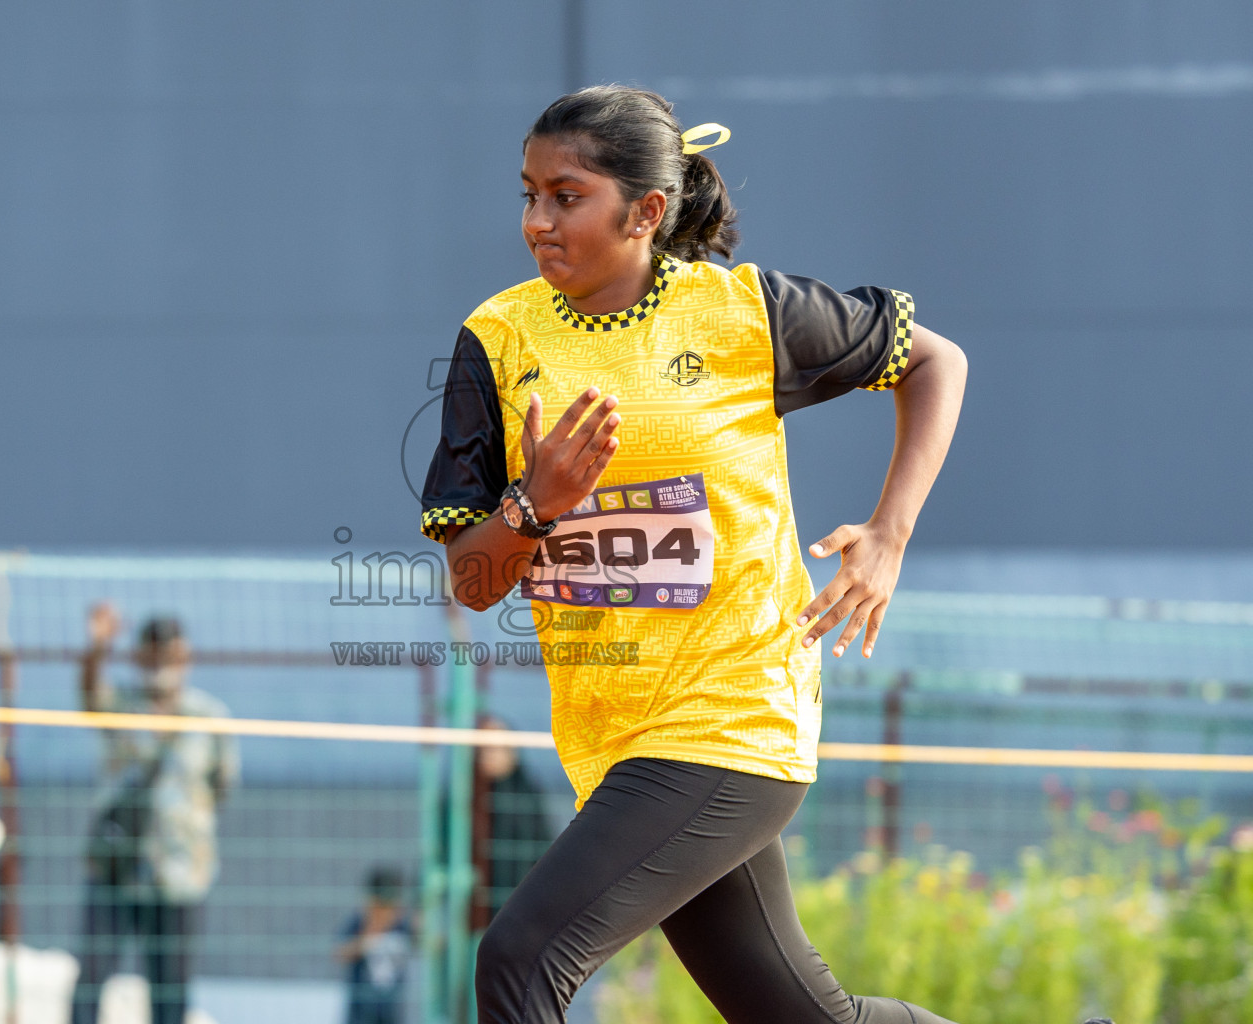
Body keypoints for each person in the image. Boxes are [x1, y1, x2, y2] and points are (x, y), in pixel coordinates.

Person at [417, 85, 1108, 1024]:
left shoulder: (745, 314)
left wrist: (887, 535)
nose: (538, 220)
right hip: (610, 738)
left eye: (566, 195)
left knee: (521, 959)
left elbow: (936, 362)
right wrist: (536, 505)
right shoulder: (495, 341)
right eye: (529, 193)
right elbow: (469, 580)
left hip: (735, 715)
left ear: (646, 211)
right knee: (803, 1017)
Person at [69, 604, 238, 1024]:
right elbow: (89, 696)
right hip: (117, 865)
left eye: (171, 656)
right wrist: (97, 648)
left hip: (180, 872)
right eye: (153, 656)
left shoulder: (209, 716)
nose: (162, 666)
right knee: (92, 977)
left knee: (170, 988)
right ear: (139, 657)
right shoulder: (121, 705)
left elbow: (221, 784)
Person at [473, 716, 553, 921]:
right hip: (473, 907)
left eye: (496, 748)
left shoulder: (526, 794)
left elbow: (542, 848)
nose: (488, 755)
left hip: (519, 904)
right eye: (483, 748)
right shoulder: (462, 795)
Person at [335, 865, 413, 1024]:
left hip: (392, 1006)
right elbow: (340, 953)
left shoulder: (403, 925)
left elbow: (429, 943)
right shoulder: (359, 922)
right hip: (361, 1009)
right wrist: (373, 930)